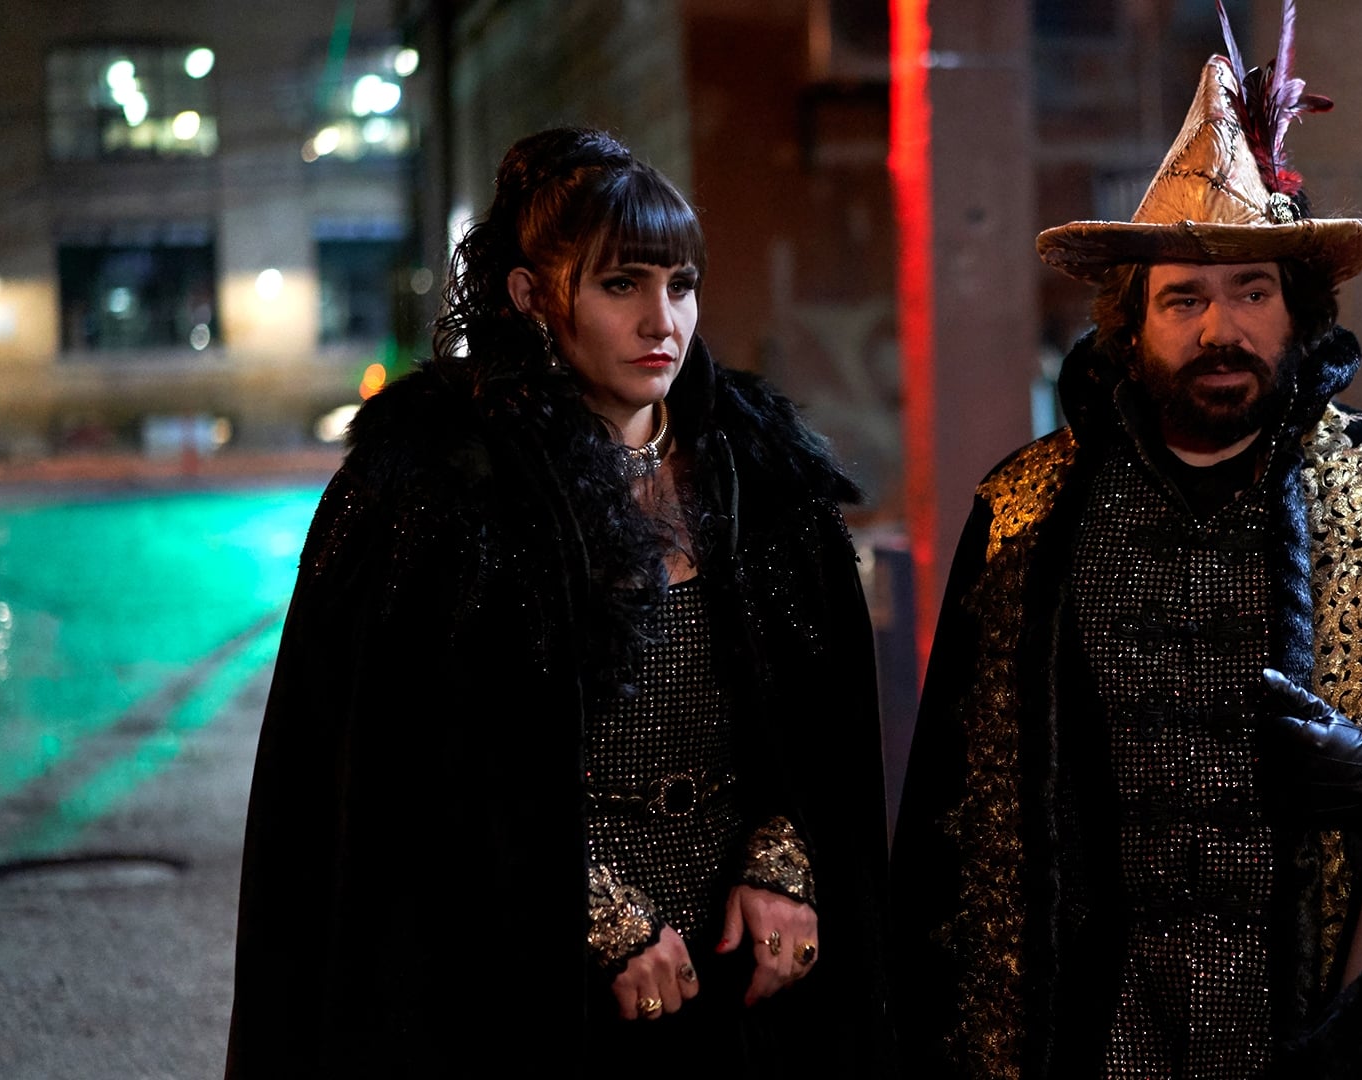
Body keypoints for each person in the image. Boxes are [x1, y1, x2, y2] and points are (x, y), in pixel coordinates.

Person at [889, 26, 1362, 1080]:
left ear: (1297, 311)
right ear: (1130, 326)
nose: (1219, 329)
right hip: (1104, 1033)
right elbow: (952, 813)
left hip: (1338, 1030)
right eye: (1183, 299)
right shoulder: (1027, 514)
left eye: (1250, 291)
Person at [226, 128, 893, 1077]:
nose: (661, 321)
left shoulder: (760, 471)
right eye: (621, 285)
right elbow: (400, 771)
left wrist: (784, 859)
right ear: (532, 296)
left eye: (681, 285)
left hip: (745, 972)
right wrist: (594, 915)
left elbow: (821, 722)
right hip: (518, 983)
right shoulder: (437, 486)